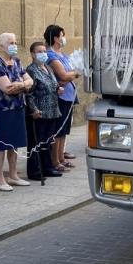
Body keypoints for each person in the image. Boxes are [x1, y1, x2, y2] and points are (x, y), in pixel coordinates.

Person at [0, 32, 33, 192]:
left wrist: (21, 84)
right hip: (3, 108)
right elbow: (6, 88)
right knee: (2, 143)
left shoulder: (16, 61)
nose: (14, 45)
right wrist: (24, 84)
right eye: (10, 42)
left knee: (15, 142)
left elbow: (30, 80)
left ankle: (13, 175)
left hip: (19, 106)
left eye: (15, 42)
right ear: (1, 45)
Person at [44, 25, 81, 172]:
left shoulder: (63, 55)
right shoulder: (51, 56)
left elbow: (72, 72)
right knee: (58, 130)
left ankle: (61, 158)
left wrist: (72, 74)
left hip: (69, 95)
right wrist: (74, 73)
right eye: (62, 35)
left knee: (64, 131)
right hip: (59, 96)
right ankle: (55, 161)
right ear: (55, 38)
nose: (64, 38)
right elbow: (64, 75)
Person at [24, 41, 61, 181]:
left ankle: (47, 168)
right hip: (39, 112)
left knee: (48, 142)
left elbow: (53, 84)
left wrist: (58, 89)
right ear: (33, 54)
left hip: (52, 110)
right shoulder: (31, 70)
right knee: (36, 143)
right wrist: (33, 110)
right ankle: (35, 171)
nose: (43, 54)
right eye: (39, 52)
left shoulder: (48, 68)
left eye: (44, 51)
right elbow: (29, 94)